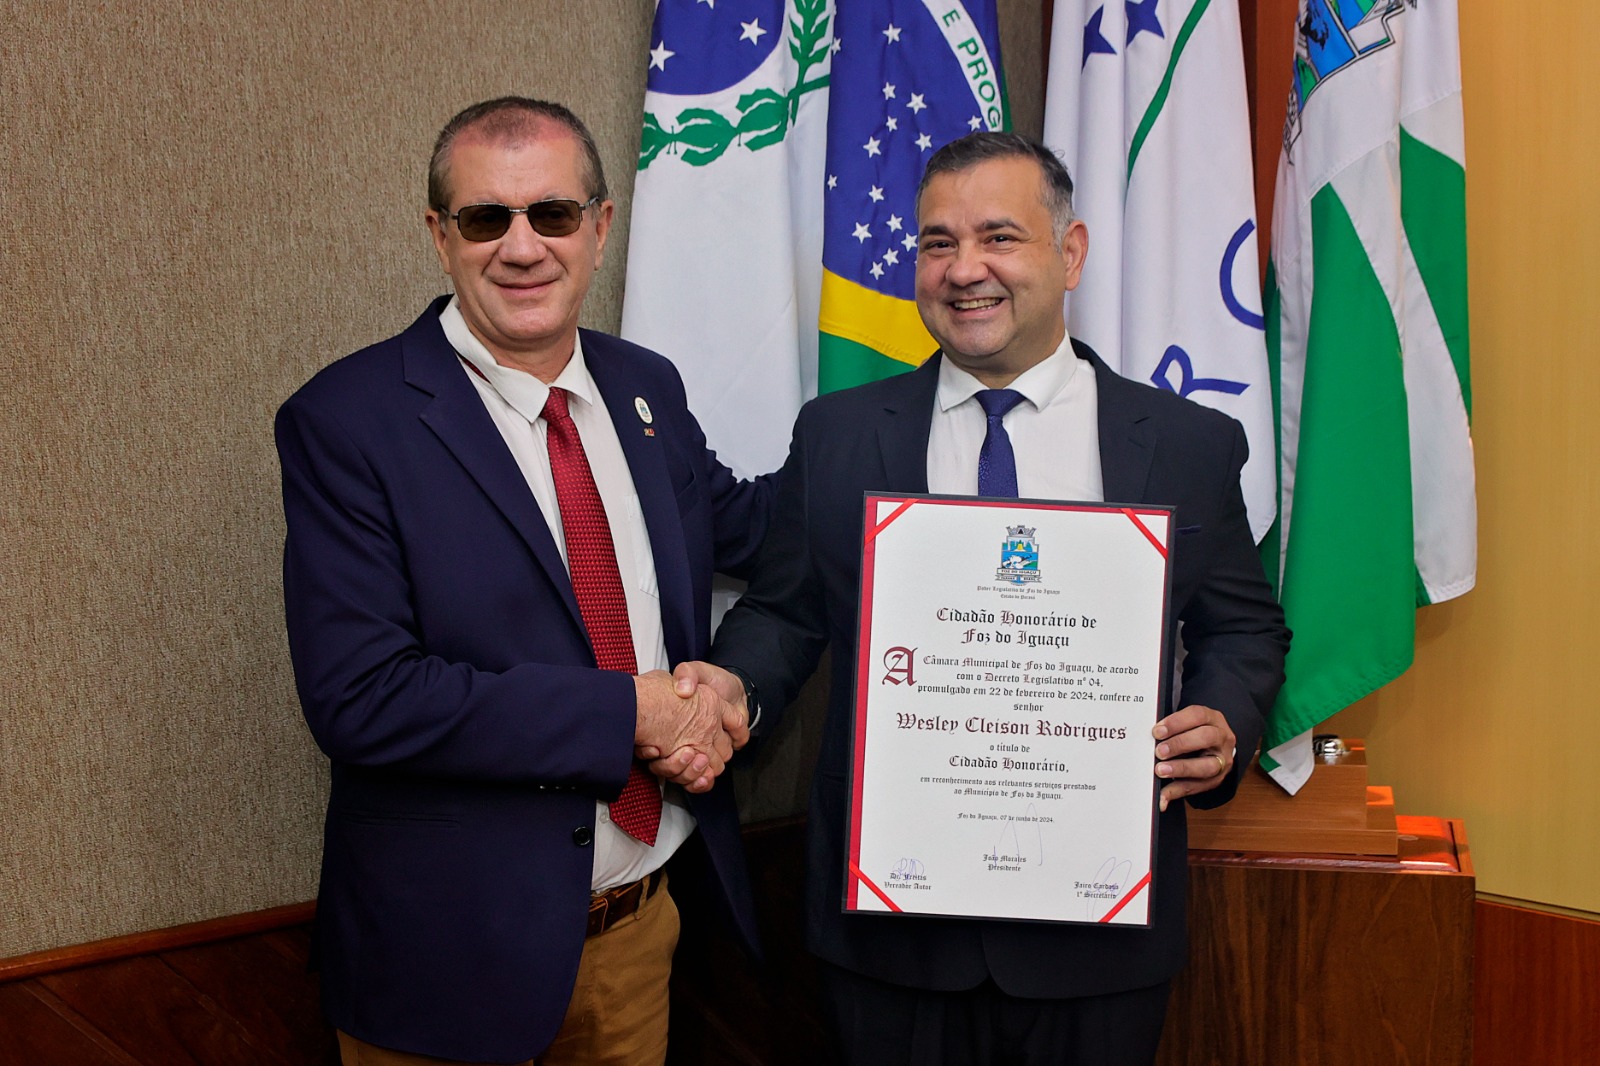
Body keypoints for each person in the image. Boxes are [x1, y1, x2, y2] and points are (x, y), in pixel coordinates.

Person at [670, 132, 1291, 1064]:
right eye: (937, 243)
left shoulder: (1187, 444)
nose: (965, 271)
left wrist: (1225, 718)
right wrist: (734, 691)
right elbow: (787, 611)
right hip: (891, 940)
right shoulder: (838, 436)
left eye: (1000, 237)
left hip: (1099, 938)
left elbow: (1243, 627)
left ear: (1070, 252)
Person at [275, 97, 769, 1066]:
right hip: (445, 969)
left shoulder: (645, 389)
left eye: (551, 214)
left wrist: (914, 433)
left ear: (599, 226)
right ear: (437, 234)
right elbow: (363, 697)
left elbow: (758, 526)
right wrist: (632, 711)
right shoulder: (348, 421)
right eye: (483, 218)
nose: (521, 246)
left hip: (637, 940)